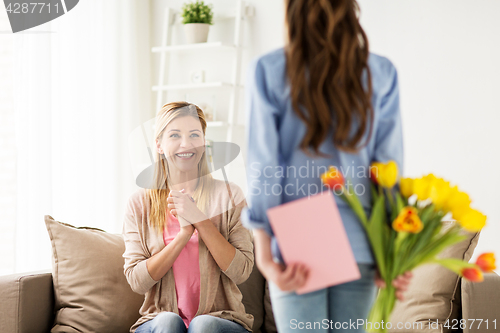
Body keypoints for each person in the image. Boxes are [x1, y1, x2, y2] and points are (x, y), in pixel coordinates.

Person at [241, 0, 412, 332]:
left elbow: (265, 170)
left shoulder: (269, 70)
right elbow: (389, 172)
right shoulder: (381, 72)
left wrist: (263, 253)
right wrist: (392, 251)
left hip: (299, 233)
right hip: (361, 236)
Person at [122, 102, 254, 333]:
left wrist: (200, 221)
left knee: (204, 325)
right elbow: (136, 280)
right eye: (175, 135)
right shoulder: (139, 203)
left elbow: (241, 271)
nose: (186, 144)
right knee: (167, 322)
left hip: (221, 321)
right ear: (159, 145)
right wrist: (184, 235)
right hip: (158, 324)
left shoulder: (230, 195)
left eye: (195, 135)